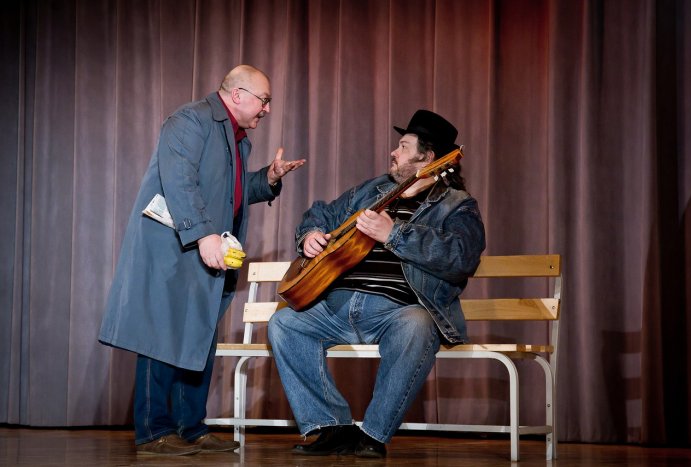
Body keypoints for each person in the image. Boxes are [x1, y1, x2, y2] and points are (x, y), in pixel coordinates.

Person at [98, 65, 305, 456]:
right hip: (175, 248)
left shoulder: (237, 139)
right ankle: (153, 432)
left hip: (205, 250)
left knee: (198, 338)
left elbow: (228, 192)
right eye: (264, 100)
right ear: (238, 95)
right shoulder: (191, 120)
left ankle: (190, 427)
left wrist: (269, 178)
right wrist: (204, 235)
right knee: (160, 336)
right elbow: (180, 181)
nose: (267, 109)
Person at [267, 110, 486, 458]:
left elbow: (462, 257)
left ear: (427, 157)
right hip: (337, 306)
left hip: (397, 312)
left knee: (418, 325)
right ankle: (332, 427)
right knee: (284, 323)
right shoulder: (372, 189)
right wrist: (310, 233)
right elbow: (321, 212)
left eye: (403, 146)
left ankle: (373, 435)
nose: (393, 153)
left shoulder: (457, 205)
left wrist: (394, 234)